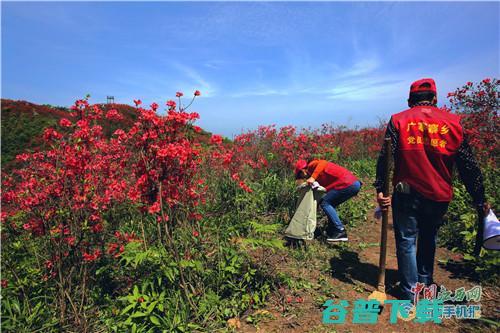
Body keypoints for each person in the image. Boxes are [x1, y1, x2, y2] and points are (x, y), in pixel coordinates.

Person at [374, 78, 490, 302]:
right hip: (439, 195)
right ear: (435, 98)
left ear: (410, 100)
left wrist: (381, 188)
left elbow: (385, 157)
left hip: (405, 192)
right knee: (428, 238)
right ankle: (425, 284)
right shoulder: (453, 122)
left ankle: (410, 291)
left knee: (407, 240)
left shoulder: (398, 120)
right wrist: (479, 197)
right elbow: (468, 166)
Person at [295, 159, 361, 242]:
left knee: (325, 203)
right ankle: (332, 230)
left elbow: (323, 163)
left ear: (302, 170)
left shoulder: (312, 165)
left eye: (301, 175)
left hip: (348, 184)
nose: (303, 177)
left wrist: (312, 177)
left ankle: (340, 230)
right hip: (351, 184)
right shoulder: (317, 177)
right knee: (330, 203)